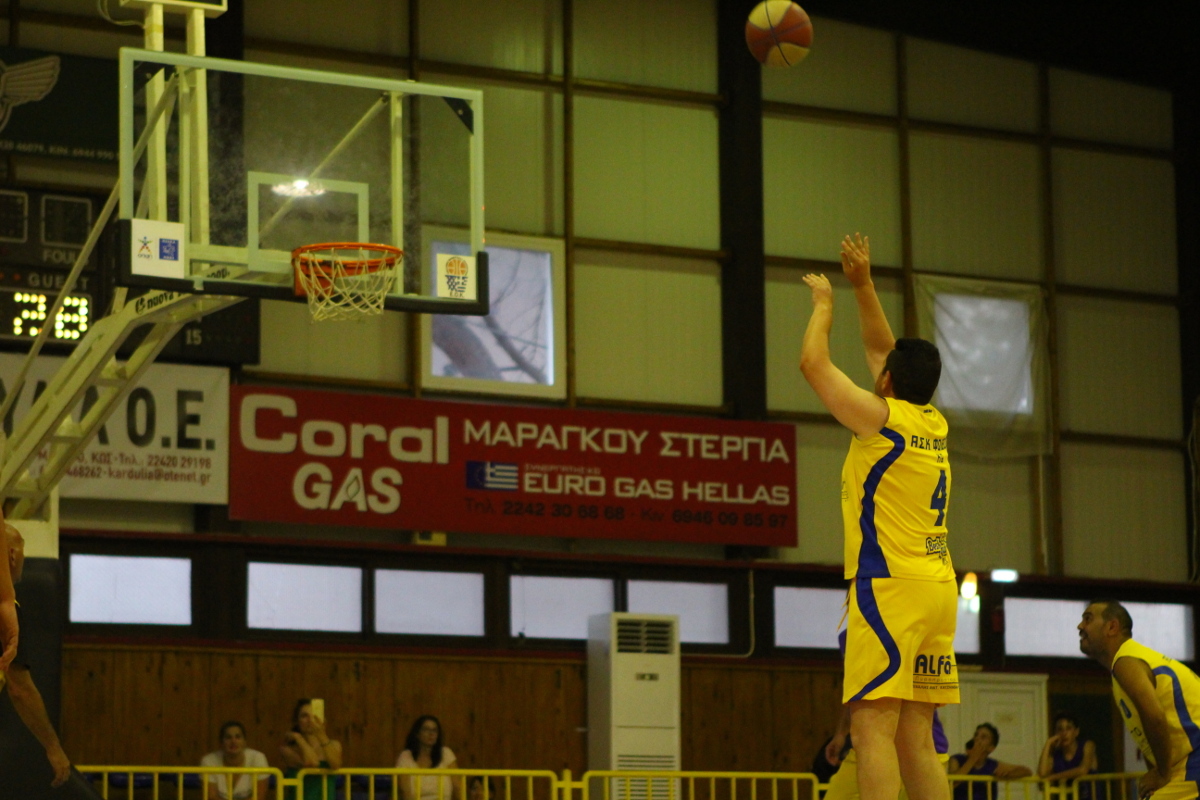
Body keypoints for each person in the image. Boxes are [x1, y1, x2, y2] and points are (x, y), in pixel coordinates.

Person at [798, 232, 958, 800]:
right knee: (917, 739)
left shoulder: (881, 421)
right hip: (937, 588)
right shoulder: (930, 421)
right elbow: (882, 351)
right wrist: (864, 284)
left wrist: (825, 305)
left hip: (890, 586)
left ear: (888, 382)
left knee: (871, 731)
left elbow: (813, 364)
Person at [1078, 600, 1200, 800]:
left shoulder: (1125, 661)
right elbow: (1147, 731)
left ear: (1112, 627)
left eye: (1088, 619)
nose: (1080, 626)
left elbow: (1155, 717)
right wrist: (1156, 772)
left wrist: (1162, 773)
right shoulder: (1128, 663)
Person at [823, 629, 952, 800]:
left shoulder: (894, 624)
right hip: (895, 744)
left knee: (910, 745)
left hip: (901, 743)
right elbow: (858, 692)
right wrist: (841, 733)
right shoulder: (850, 635)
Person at [0, 522, 71, 788]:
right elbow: (20, 689)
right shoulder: (7, 610)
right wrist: (53, 747)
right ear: (11, 554)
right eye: (23, 551)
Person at [948, 724, 1032, 800]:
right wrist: (973, 759)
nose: (977, 738)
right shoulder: (957, 759)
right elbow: (952, 783)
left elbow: (1026, 771)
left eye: (983, 737)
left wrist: (1008, 774)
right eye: (976, 735)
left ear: (991, 748)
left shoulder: (992, 765)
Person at [280, 699, 342, 800]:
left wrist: (321, 735)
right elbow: (312, 762)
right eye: (304, 716)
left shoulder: (335, 745)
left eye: (314, 716)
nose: (310, 720)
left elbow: (335, 764)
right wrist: (298, 738)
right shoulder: (288, 749)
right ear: (297, 721)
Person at [201, 721, 270, 800]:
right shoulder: (208, 761)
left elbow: (259, 797)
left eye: (238, 737)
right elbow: (212, 797)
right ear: (221, 743)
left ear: (245, 741)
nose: (233, 741)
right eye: (228, 737)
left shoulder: (258, 758)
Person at [1037, 712, 1099, 800]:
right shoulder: (1056, 754)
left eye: (1068, 728)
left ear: (1076, 732)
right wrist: (1048, 744)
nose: (1064, 733)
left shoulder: (1087, 745)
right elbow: (1042, 774)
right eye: (1060, 729)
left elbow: (1083, 770)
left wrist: (1053, 777)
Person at [397, 715, 458, 800]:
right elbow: (405, 791)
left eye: (434, 730)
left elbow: (458, 787)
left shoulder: (446, 753)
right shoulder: (406, 756)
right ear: (417, 733)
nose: (431, 734)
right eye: (426, 729)